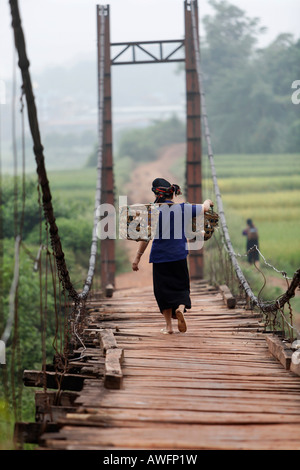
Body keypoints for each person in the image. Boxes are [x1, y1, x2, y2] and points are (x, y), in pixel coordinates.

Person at [132, 177, 213, 334]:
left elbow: (146, 238)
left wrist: (137, 258)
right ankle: (181, 308)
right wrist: (208, 201)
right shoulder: (183, 208)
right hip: (179, 256)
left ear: (157, 195)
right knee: (181, 287)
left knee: (162, 292)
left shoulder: (153, 213)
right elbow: (204, 208)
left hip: (160, 258)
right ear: (172, 194)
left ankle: (168, 327)